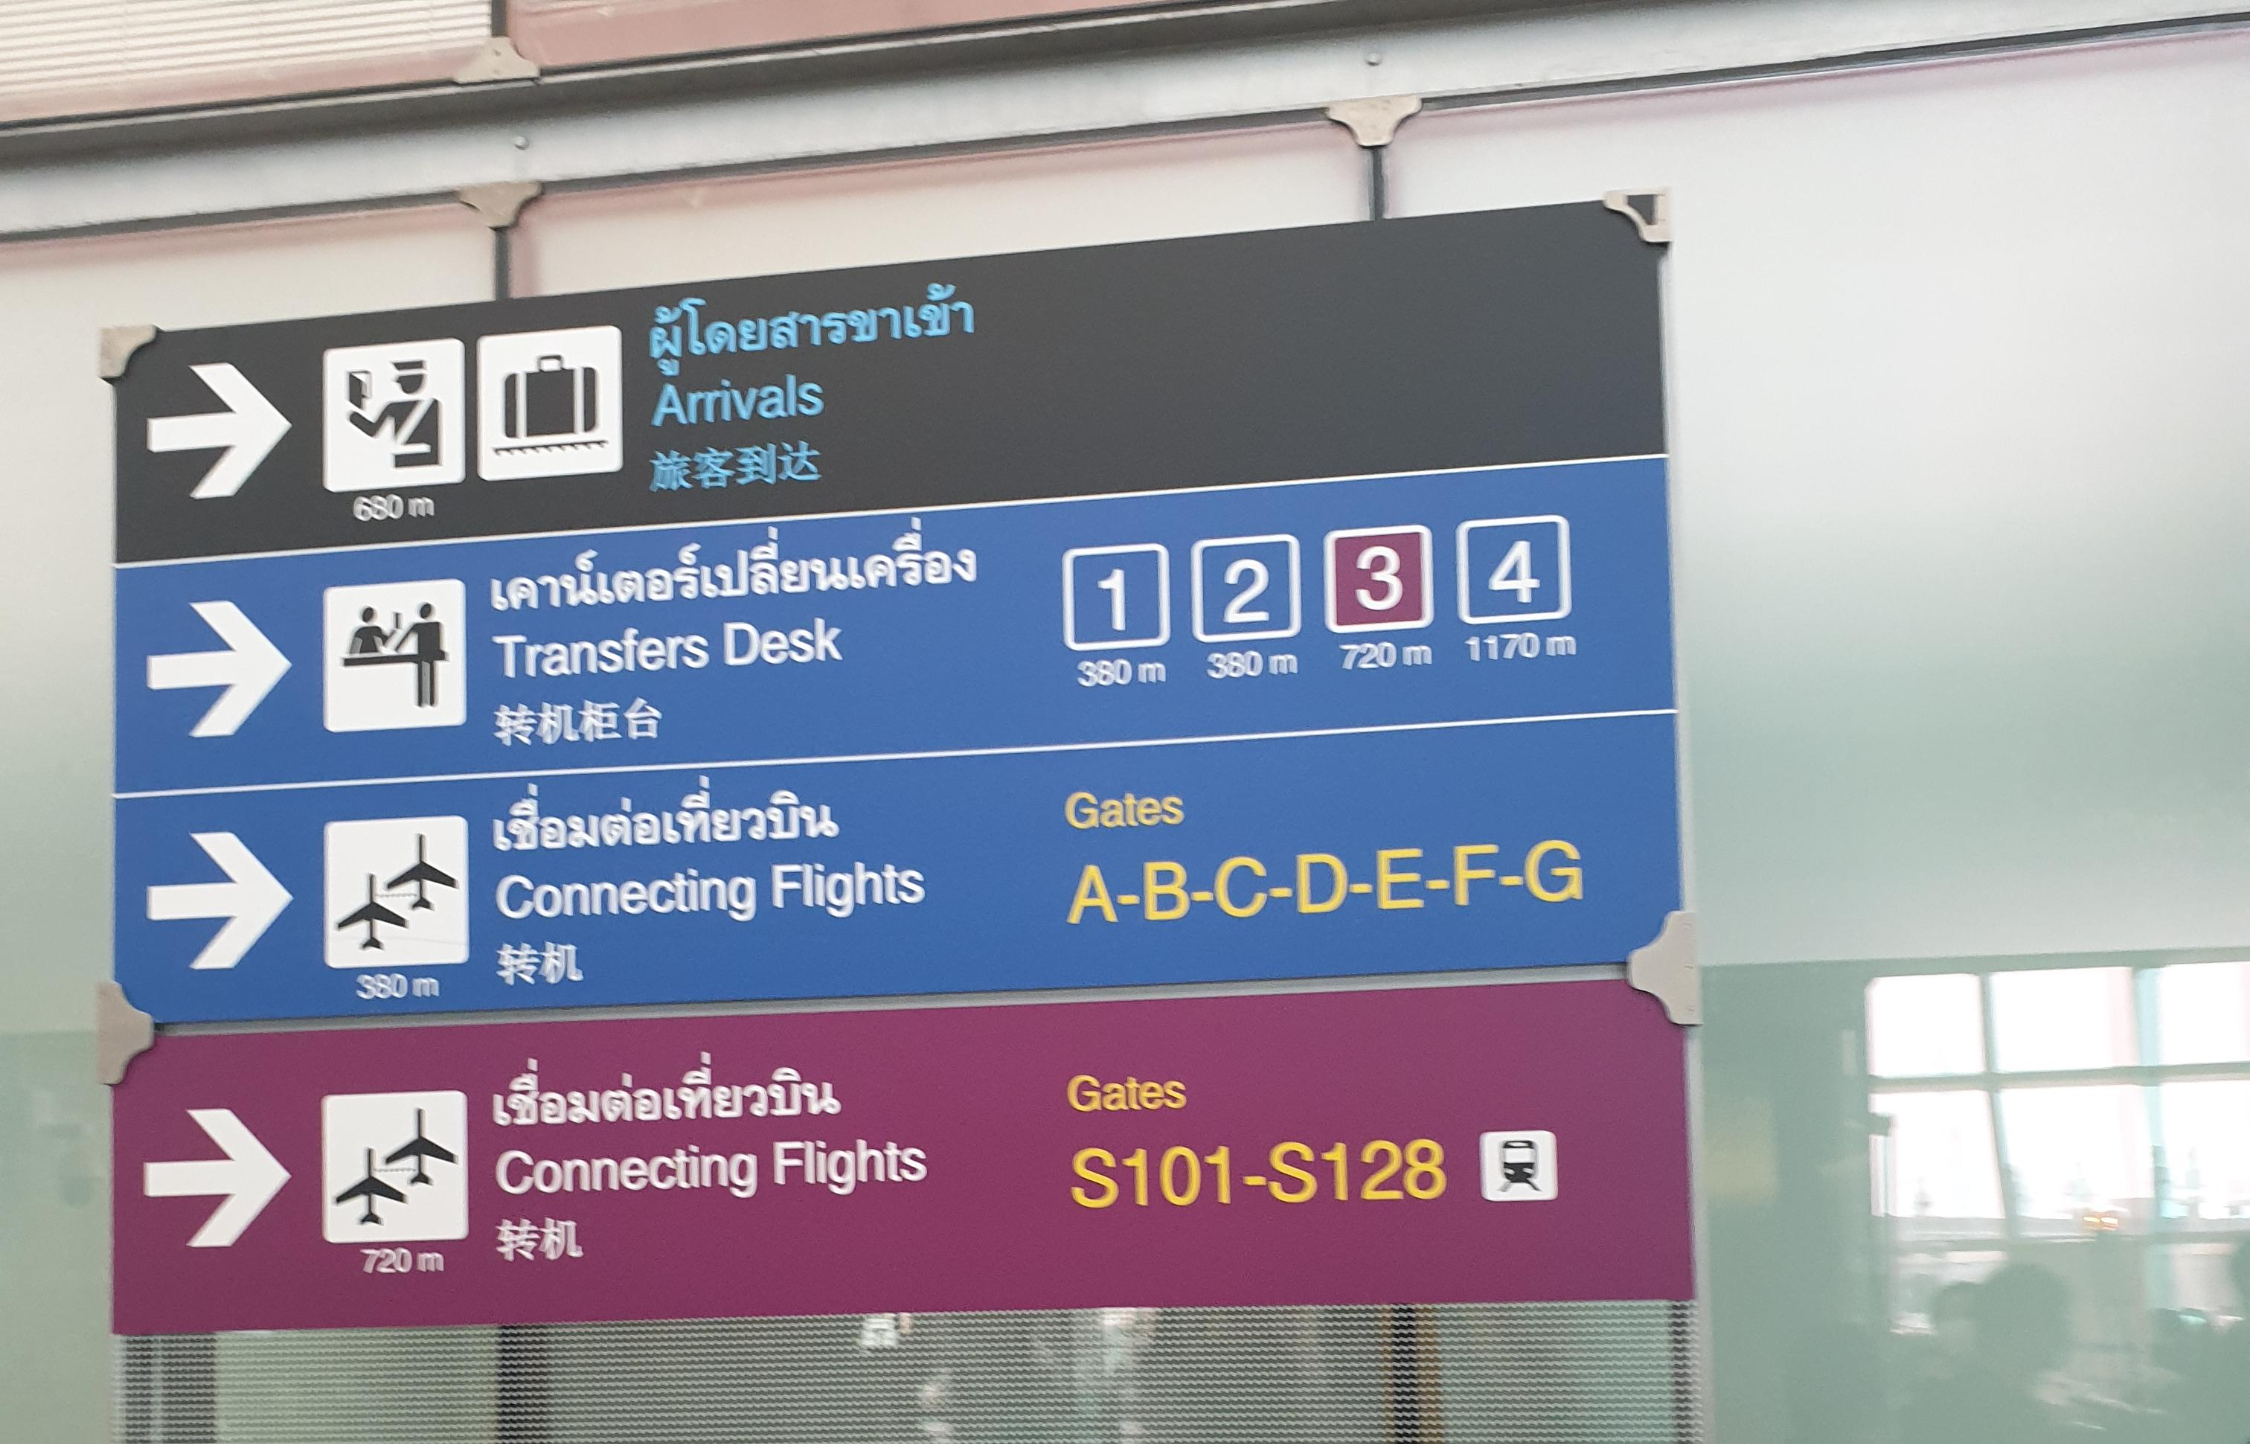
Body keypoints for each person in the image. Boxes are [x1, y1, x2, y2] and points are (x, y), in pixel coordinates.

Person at [1899, 1263, 2075, 1444]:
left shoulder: (1952, 1400)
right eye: (2055, 1319)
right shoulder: (2005, 1417)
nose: (2065, 1331)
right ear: (2018, 1327)